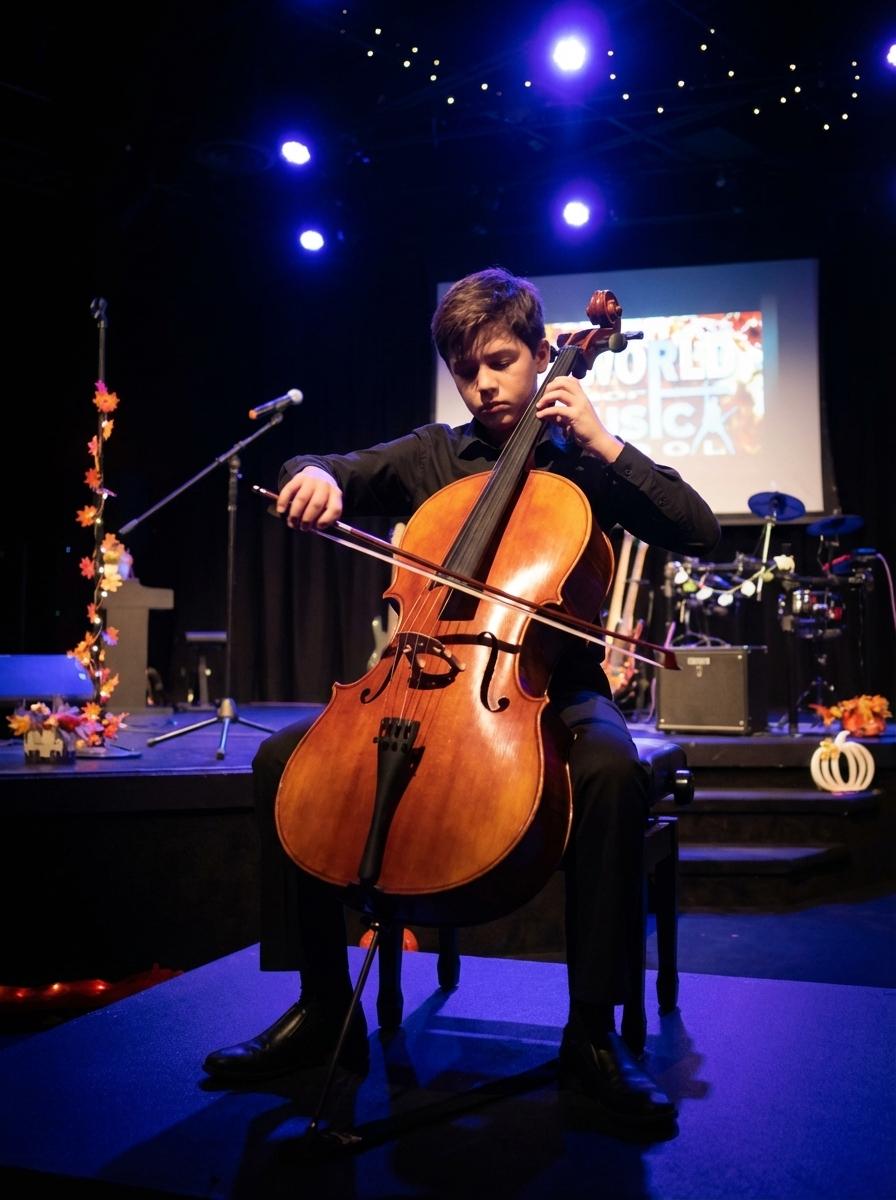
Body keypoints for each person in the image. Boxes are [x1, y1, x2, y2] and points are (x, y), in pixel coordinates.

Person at [202, 266, 720, 1131]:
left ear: (545, 355)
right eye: (465, 368)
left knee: (611, 775)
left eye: (501, 361)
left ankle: (591, 1035)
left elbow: (698, 529)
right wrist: (315, 476)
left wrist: (602, 443)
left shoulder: (587, 462)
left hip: (555, 686)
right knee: (280, 760)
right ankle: (324, 1008)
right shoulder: (437, 454)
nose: (482, 384)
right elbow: (331, 465)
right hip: (429, 675)